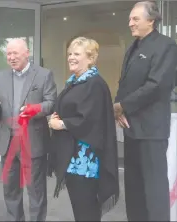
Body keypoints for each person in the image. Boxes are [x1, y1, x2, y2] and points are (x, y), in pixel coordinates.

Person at [0, 38, 57, 221]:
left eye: (15, 53)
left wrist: (35, 109)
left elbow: (51, 103)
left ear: (27, 53)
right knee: (10, 190)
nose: (11, 57)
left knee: (35, 192)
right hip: (8, 143)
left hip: (32, 141)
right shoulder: (1, 76)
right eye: (8, 54)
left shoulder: (43, 75)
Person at [114, 1, 177, 221]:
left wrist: (123, 106)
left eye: (135, 19)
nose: (130, 23)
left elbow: (156, 85)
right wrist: (117, 107)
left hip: (151, 131)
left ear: (151, 20)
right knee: (134, 188)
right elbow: (124, 83)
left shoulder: (166, 45)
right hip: (131, 128)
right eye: (130, 19)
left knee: (154, 190)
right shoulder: (133, 47)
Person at [48, 37, 119, 221]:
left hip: (85, 163)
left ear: (90, 58)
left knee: (86, 212)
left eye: (76, 54)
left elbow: (90, 120)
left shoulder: (94, 83)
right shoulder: (74, 81)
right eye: (69, 53)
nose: (71, 57)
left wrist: (61, 124)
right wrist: (56, 117)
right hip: (73, 159)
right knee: (81, 210)